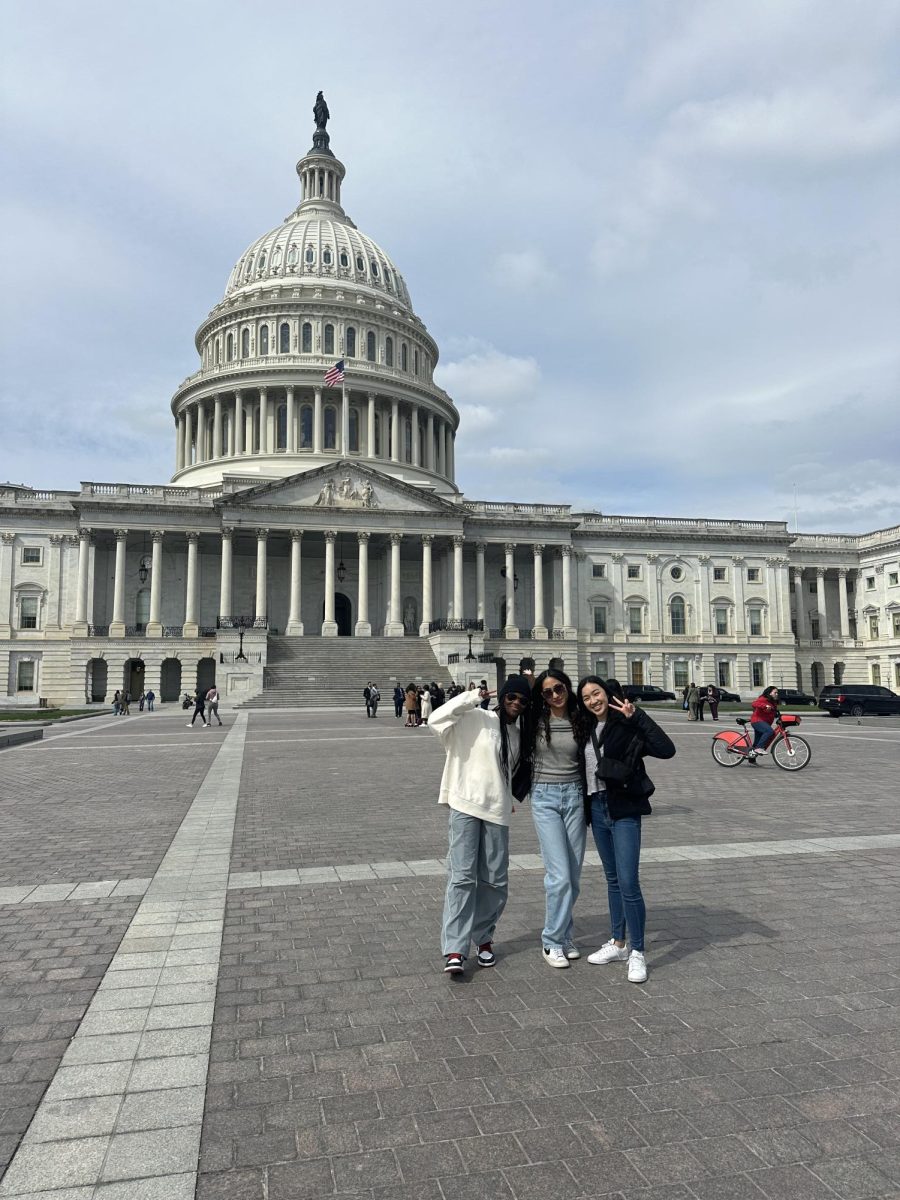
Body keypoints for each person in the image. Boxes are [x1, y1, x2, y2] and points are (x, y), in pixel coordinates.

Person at [430, 675, 533, 974]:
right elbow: (436, 719)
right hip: (464, 804)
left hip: (498, 810)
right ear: (502, 697)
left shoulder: (518, 732)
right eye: (511, 697)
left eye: (522, 701)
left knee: (495, 881)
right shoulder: (474, 716)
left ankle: (484, 938)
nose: (516, 704)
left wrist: (507, 793)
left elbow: (508, 769)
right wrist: (471, 697)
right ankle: (455, 948)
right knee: (462, 878)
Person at [577, 676, 676, 984]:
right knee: (613, 880)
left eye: (597, 694)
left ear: (607, 694)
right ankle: (618, 942)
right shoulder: (585, 729)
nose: (594, 700)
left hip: (624, 808)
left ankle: (638, 951)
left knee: (629, 881)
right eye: (587, 698)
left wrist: (639, 716)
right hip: (596, 807)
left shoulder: (627, 723)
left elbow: (666, 749)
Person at [526, 668, 589, 968]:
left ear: (567, 688)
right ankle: (551, 941)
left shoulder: (581, 718)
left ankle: (565, 934)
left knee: (573, 878)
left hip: (574, 796)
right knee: (559, 875)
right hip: (544, 797)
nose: (554, 695)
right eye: (547, 691)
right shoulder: (534, 720)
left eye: (558, 689)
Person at [748, 686, 780, 763]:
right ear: (769, 693)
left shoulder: (772, 702)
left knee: (757, 742)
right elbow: (754, 703)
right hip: (757, 721)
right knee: (769, 732)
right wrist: (764, 706)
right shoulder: (763, 699)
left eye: (777, 693)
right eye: (775, 692)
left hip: (763, 723)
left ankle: (751, 759)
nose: (777, 694)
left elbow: (773, 712)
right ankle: (759, 748)